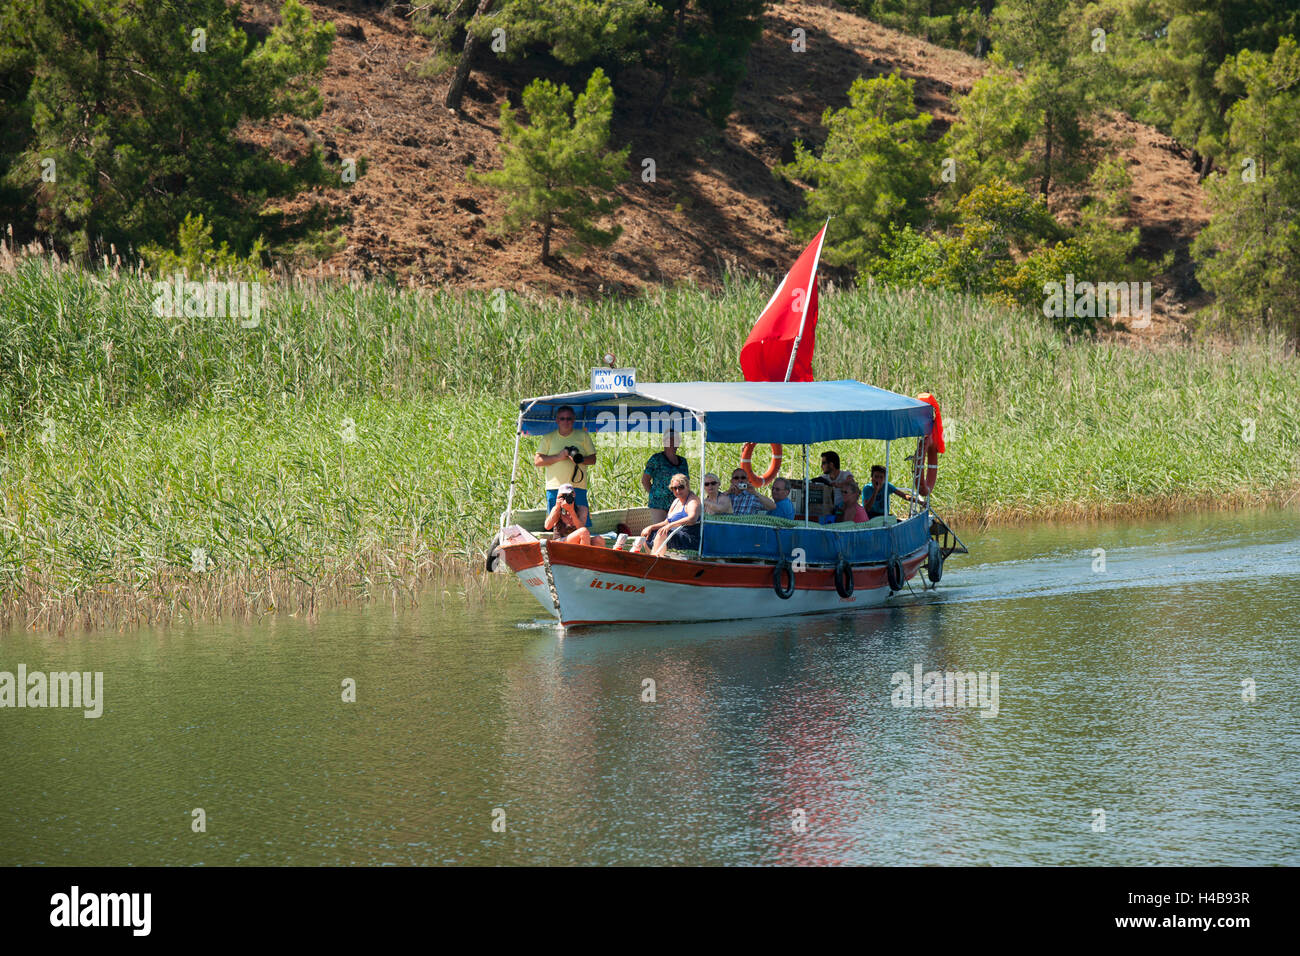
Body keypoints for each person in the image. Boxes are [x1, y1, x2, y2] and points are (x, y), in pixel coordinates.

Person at [533, 405, 596, 527]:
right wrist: (559, 456)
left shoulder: (583, 436)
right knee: (555, 523)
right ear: (557, 420)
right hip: (554, 487)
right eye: (562, 418)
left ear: (574, 420)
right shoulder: (548, 438)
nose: (565, 421)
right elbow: (537, 460)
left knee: (581, 523)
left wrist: (580, 459)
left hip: (578, 486)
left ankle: (582, 543)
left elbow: (593, 459)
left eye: (569, 419)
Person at [634, 474, 700, 555]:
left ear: (687, 486)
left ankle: (655, 559)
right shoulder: (676, 501)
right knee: (646, 534)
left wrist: (670, 526)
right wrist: (651, 527)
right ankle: (646, 557)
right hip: (674, 532)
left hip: (688, 536)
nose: (677, 491)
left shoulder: (693, 501)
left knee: (661, 534)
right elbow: (666, 522)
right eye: (674, 488)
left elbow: (692, 519)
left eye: (681, 487)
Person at [641, 428, 688, 523]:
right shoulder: (656, 459)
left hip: (677, 502)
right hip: (658, 504)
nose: (673, 444)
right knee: (660, 531)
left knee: (675, 531)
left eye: (675, 441)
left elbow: (686, 482)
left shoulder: (683, 461)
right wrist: (654, 494)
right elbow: (645, 480)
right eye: (670, 441)